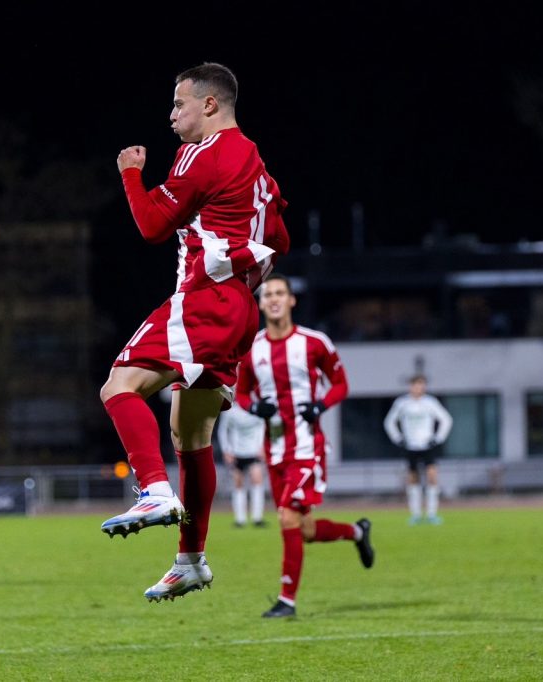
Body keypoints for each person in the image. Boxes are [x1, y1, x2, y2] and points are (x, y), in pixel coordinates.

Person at [99, 62, 290, 603]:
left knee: (118, 387)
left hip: (204, 299)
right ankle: (191, 561)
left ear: (210, 104)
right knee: (191, 434)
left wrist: (131, 174)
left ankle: (154, 492)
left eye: (179, 103)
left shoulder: (204, 152)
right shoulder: (256, 162)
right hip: (240, 311)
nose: (171, 115)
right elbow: (278, 234)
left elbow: (152, 226)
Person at [235, 273, 374, 618]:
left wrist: (320, 406)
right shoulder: (252, 349)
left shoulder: (314, 342)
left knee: (286, 516)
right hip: (275, 450)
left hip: (308, 449)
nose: (275, 299)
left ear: (291, 300)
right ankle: (358, 532)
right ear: (261, 303)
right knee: (305, 530)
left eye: (280, 293)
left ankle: (287, 600)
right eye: (268, 294)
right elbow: (239, 393)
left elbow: (341, 384)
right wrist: (255, 407)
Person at [383, 374, 453, 525]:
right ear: (410, 386)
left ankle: (432, 514)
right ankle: (415, 514)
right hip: (410, 445)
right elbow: (389, 422)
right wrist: (398, 438)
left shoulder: (430, 402)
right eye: (415, 384)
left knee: (432, 476)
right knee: (413, 478)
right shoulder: (402, 403)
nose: (418, 388)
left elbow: (446, 419)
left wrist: (438, 438)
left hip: (427, 445)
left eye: (421, 385)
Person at [216, 400, 268, 528]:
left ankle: (257, 517)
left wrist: (262, 447)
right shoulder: (230, 409)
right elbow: (222, 431)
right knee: (238, 483)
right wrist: (226, 450)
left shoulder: (256, 407)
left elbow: (262, 426)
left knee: (257, 479)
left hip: (253, 451)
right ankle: (240, 519)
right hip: (237, 452)